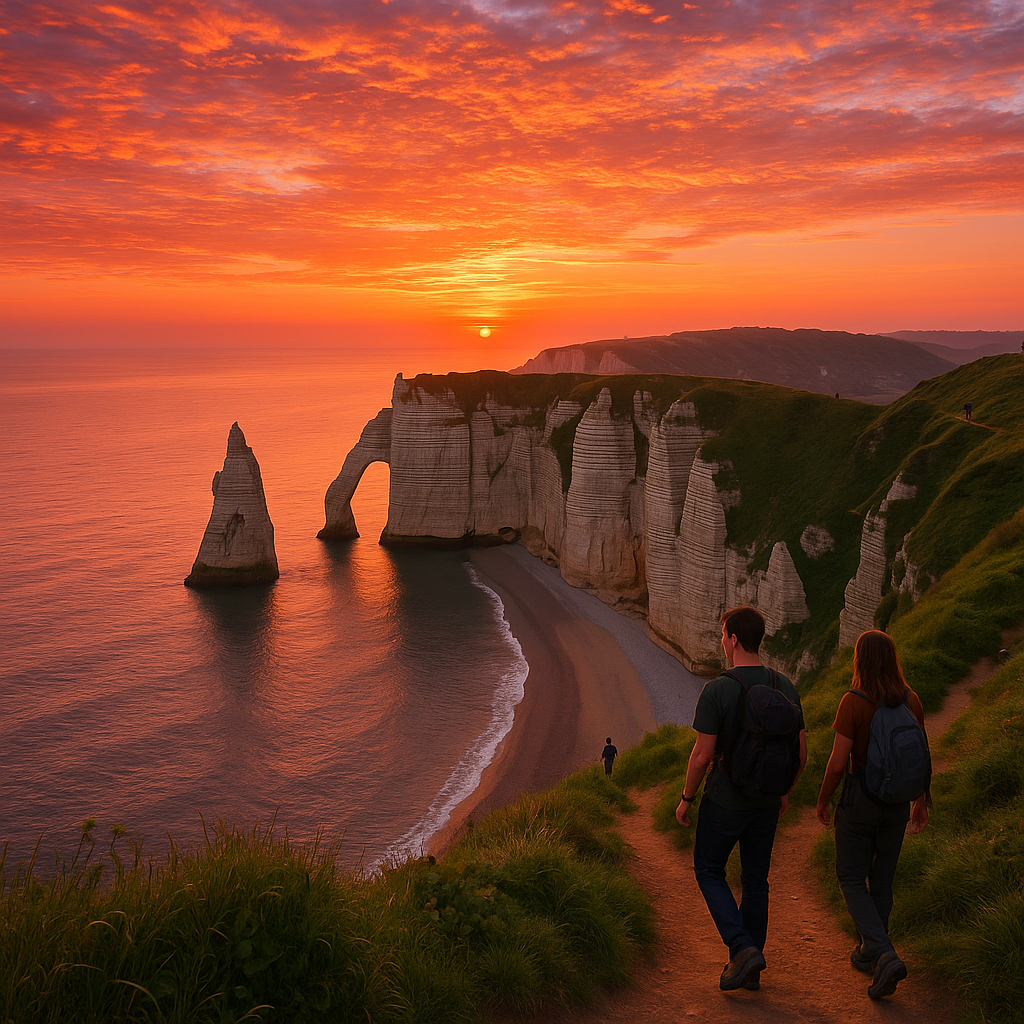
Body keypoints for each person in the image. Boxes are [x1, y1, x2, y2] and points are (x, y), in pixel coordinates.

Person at [675, 606, 807, 992]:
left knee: (709, 870)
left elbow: (701, 756)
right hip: (766, 802)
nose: (721, 640)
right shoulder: (785, 685)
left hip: (724, 801)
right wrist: (782, 792)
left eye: (722, 634)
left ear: (733, 639)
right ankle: (751, 965)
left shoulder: (718, 688)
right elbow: (801, 755)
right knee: (756, 880)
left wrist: (686, 798)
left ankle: (742, 947)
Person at [815, 630, 929, 1001]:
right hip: (896, 804)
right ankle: (869, 952)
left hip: (860, 800)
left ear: (859, 660)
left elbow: (836, 765)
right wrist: (920, 801)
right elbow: (920, 756)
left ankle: (883, 953)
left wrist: (822, 801)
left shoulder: (854, 702)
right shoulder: (911, 700)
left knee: (850, 877)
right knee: (881, 881)